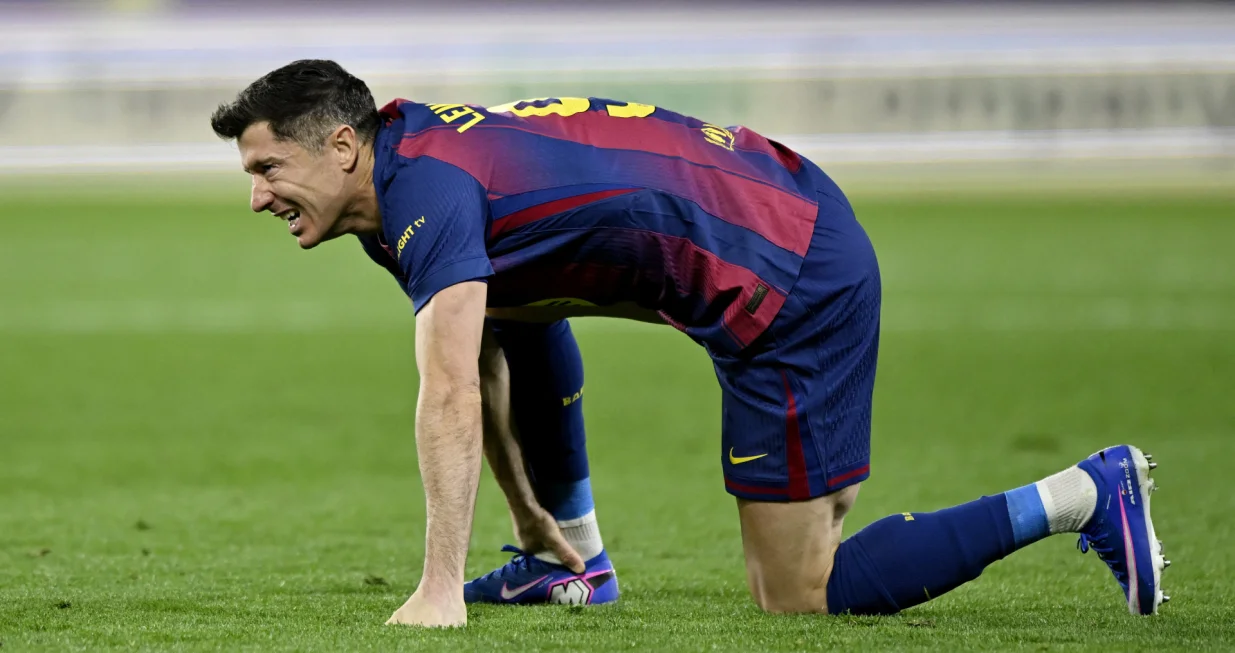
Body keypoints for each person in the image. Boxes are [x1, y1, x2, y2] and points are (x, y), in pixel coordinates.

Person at [209, 59, 1168, 627]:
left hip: (784, 278)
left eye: (267, 166)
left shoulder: (422, 199)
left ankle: (1082, 491)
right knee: (513, 311)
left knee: (796, 588)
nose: (256, 194)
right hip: (777, 220)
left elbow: (452, 391)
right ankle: (570, 559)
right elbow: (494, 349)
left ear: (341, 146)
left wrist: (438, 586)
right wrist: (538, 527)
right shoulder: (402, 169)